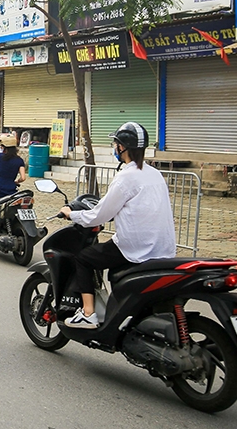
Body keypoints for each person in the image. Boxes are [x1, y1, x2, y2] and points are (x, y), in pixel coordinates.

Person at [60, 122, 176, 329]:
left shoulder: (126, 177)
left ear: (123, 148)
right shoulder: (154, 174)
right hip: (163, 248)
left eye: (116, 144)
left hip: (137, 247)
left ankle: (88, 314)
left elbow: (99, 215)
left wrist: (72, 214)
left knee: (84, 259)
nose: (114, 148)